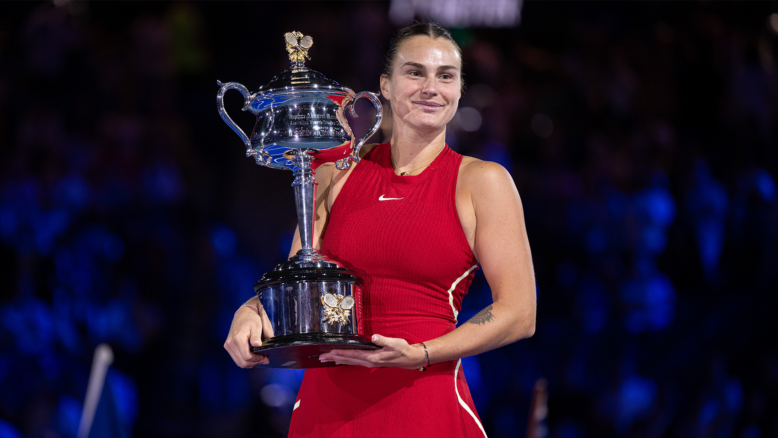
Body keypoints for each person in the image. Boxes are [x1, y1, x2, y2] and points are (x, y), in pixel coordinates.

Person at [224, 22, 536, 437]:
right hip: (327, 410)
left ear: (459, 90)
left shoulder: (482, 182)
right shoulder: (334, 171)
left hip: (423, 404)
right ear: (385, 86)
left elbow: (519, 313)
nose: (431, 88)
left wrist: (422, 353)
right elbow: (302, 287)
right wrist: (251, 310)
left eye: (446, 76)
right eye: (415, 72)